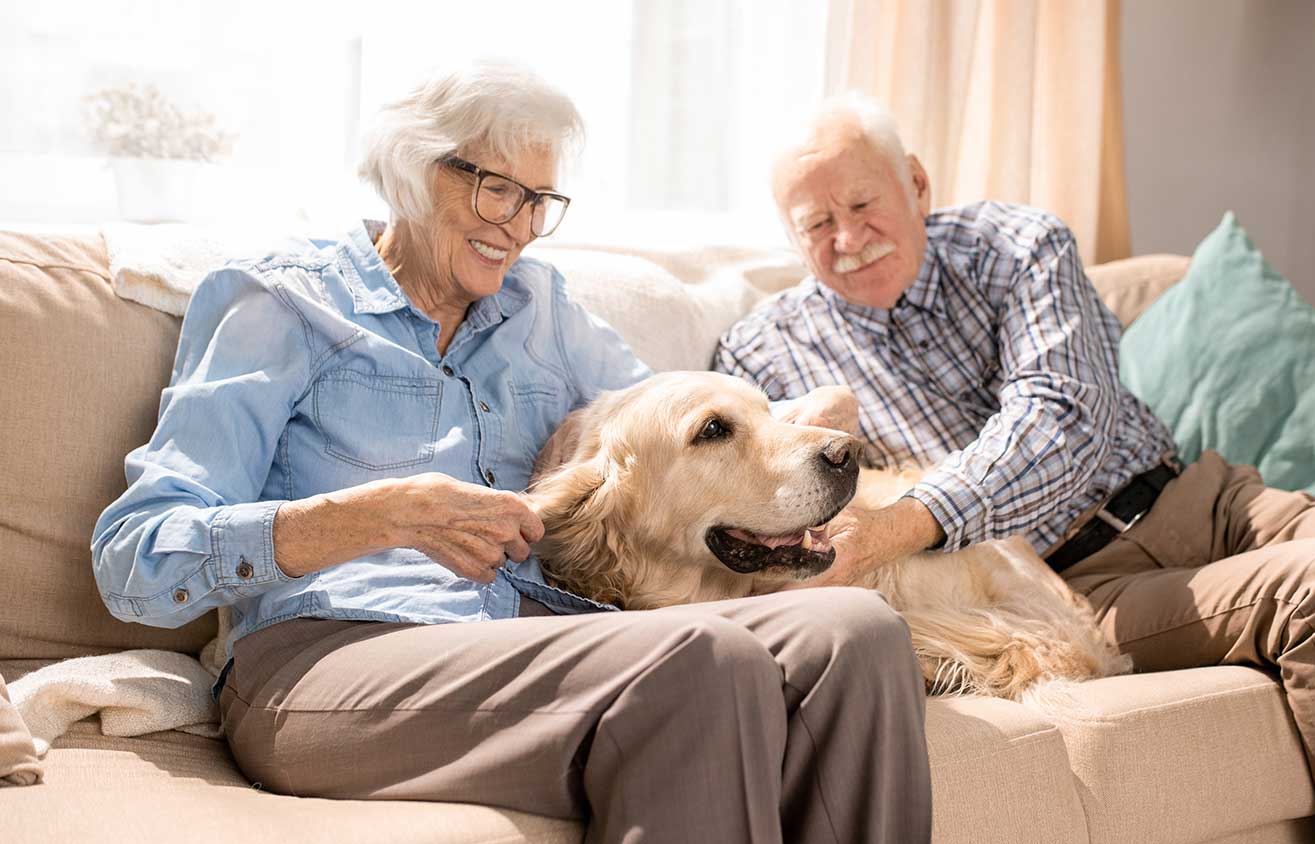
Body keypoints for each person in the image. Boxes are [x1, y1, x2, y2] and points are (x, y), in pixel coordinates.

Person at [92, 62, 931, 843]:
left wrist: (799, 427)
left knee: (855, 633)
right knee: (703, 661)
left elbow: (677, 427)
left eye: (540, 200)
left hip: (537, 636)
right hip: (327, 659)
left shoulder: (541, 309)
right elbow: (136, 559)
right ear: (413, 174)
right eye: (499, 191)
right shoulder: (280, 305)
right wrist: (375, 516)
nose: (520, 228)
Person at [714, 93, 1315, 844]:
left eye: (860, 205)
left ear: (916, 183)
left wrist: (903, 522)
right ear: (790, 236)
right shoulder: (764, 352)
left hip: (1212, 499)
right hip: (1074, 584)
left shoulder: (1017, 245)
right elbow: (763, 496)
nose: (846, 239)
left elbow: (1062, 416)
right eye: (815, 223)